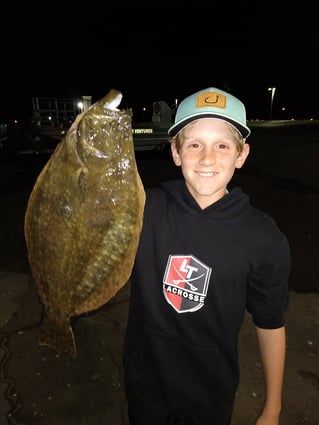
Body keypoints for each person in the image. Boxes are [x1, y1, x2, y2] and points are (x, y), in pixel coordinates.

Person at [123, 87, 291, 425]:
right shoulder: (141, 209)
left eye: (223, 146)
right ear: (175, 152)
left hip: (210, 396)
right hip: (144, 386)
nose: (207, 158)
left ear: (241, 155)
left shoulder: (263, 237)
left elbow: (270, 323)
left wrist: (272, 407)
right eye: (195, 144)